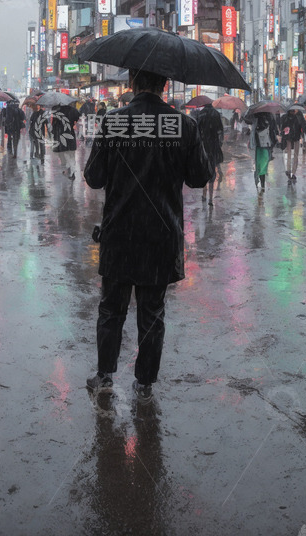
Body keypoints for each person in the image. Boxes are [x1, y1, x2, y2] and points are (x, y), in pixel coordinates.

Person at [83, 68, 213, 402]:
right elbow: (200, 178)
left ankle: (104, 375)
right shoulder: (184, 125)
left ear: (132, 84)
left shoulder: (113, 122)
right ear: (165, 85)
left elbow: (94, 177)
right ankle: (144, 384)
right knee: (152, 313)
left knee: (112, 309)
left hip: (119, 233)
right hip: (161, 233)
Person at [196, 101, 224, 204]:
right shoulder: (216, 114)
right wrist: (219, 143)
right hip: (214, 146)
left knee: (204, 169)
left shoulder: (201, 113)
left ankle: (204, 194)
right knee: (212, 169)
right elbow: (220, 130)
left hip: (203, 146)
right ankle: (211, 198)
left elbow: (197, 130)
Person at [250, 111, 278, 193]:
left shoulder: (256, 116)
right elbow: (273, 130)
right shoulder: (268, 116)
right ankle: (261, 184)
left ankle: (260, 182)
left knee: (259, 165)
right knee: (262, 165)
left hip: (260, 144)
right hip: (264, 144)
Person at [52, 102, 80, 180]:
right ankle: (71, 170)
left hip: (62, 135)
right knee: (71, 155)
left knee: (66, 154)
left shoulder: (58, 112)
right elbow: (78, 118)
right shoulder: (74, 110)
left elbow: (54, 125)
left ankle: (71, 171)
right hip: (71, 134)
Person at [280, 106, 306, 182]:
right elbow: (282, 126)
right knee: (291, 154)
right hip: (290, 137)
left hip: (295, 137)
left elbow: (303, 125)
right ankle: (289, 171)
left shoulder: (298, 116)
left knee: (294, 155)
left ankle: (292, 172)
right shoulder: (287, 116)